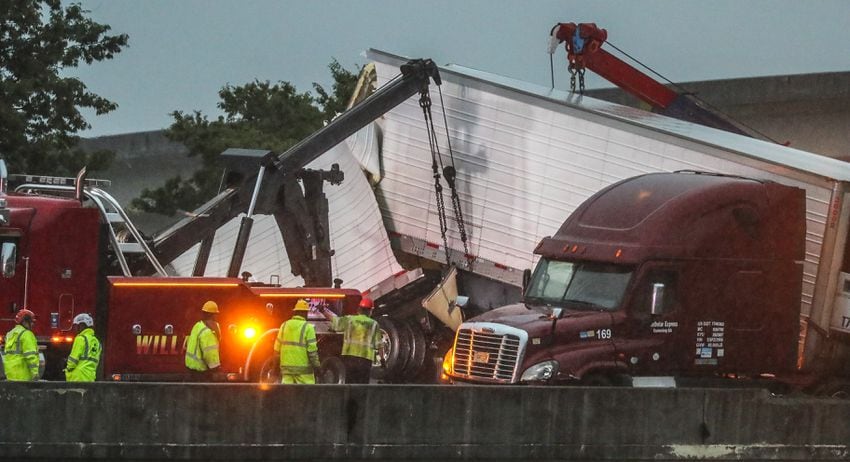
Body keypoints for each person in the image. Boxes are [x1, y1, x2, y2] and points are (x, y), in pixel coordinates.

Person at [322, 297, 381, 384]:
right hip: (365, 360)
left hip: (350, 358)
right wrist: (382, 361)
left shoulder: (350, 320)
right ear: (370, 311)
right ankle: (360, 397)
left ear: (359, 309)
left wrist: (323, 311)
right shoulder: (374, 324)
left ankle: (349, 397)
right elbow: (380, 345)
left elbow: (335, 321)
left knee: (350, 383)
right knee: (362, 385)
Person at [274, 299, 321, 384]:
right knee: (305, 394)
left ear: (295, 312)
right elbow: (312, 352)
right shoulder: (308, 327)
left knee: (287, 393)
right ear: (304, 313)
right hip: (303, 370)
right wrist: (317, 367)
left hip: (286, 369)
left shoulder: (284, 325)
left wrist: (275, 368)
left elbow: (276, 350)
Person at [184, 300, 221, 381]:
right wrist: (216, 368)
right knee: (204, 392)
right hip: (201, 372)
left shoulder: (197, 326)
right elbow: (209, 353)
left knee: (194, 392)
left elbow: (187, 345)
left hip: (191, 368)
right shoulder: (208, 332)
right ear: (213, 315)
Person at [3, 309, 39, 381]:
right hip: (22, 376)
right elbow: (30, 356)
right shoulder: (26, 334)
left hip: (10, 375)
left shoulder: (10, 334)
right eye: (31, 322)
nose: (32, 324)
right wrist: (35, 373)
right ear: (25, 322)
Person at [64, 313, 101, 382]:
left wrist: (68, 369)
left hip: (77, 377)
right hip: (90, 377)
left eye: (76, 326)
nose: (75, 329)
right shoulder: (97, 342)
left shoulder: (80, 338)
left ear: (82, 325)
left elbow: (73, 360)